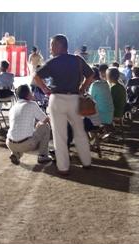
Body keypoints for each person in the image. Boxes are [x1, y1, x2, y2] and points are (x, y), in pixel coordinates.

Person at [32, 34, 93, 175]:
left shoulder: (53, 62)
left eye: (52, 44)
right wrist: (82, 88)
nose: (50, 48)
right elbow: (90, 75)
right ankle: (87, 162)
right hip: (74, 99)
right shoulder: (78, 60)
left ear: (59, 46)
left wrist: (45, 89)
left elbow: (36, 76)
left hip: (57, 99)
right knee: (80, 132)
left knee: (60, 135)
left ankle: (64, 167)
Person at [7, 85, 53, 165]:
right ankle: (43, 155)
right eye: (31, 92)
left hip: (10, 143)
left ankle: (15, 154)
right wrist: (42, 121)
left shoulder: (13, 107)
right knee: (45, 127)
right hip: (26, 144)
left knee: (21, 133)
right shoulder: (32, 104)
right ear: (28, 94)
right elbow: (46, 120)